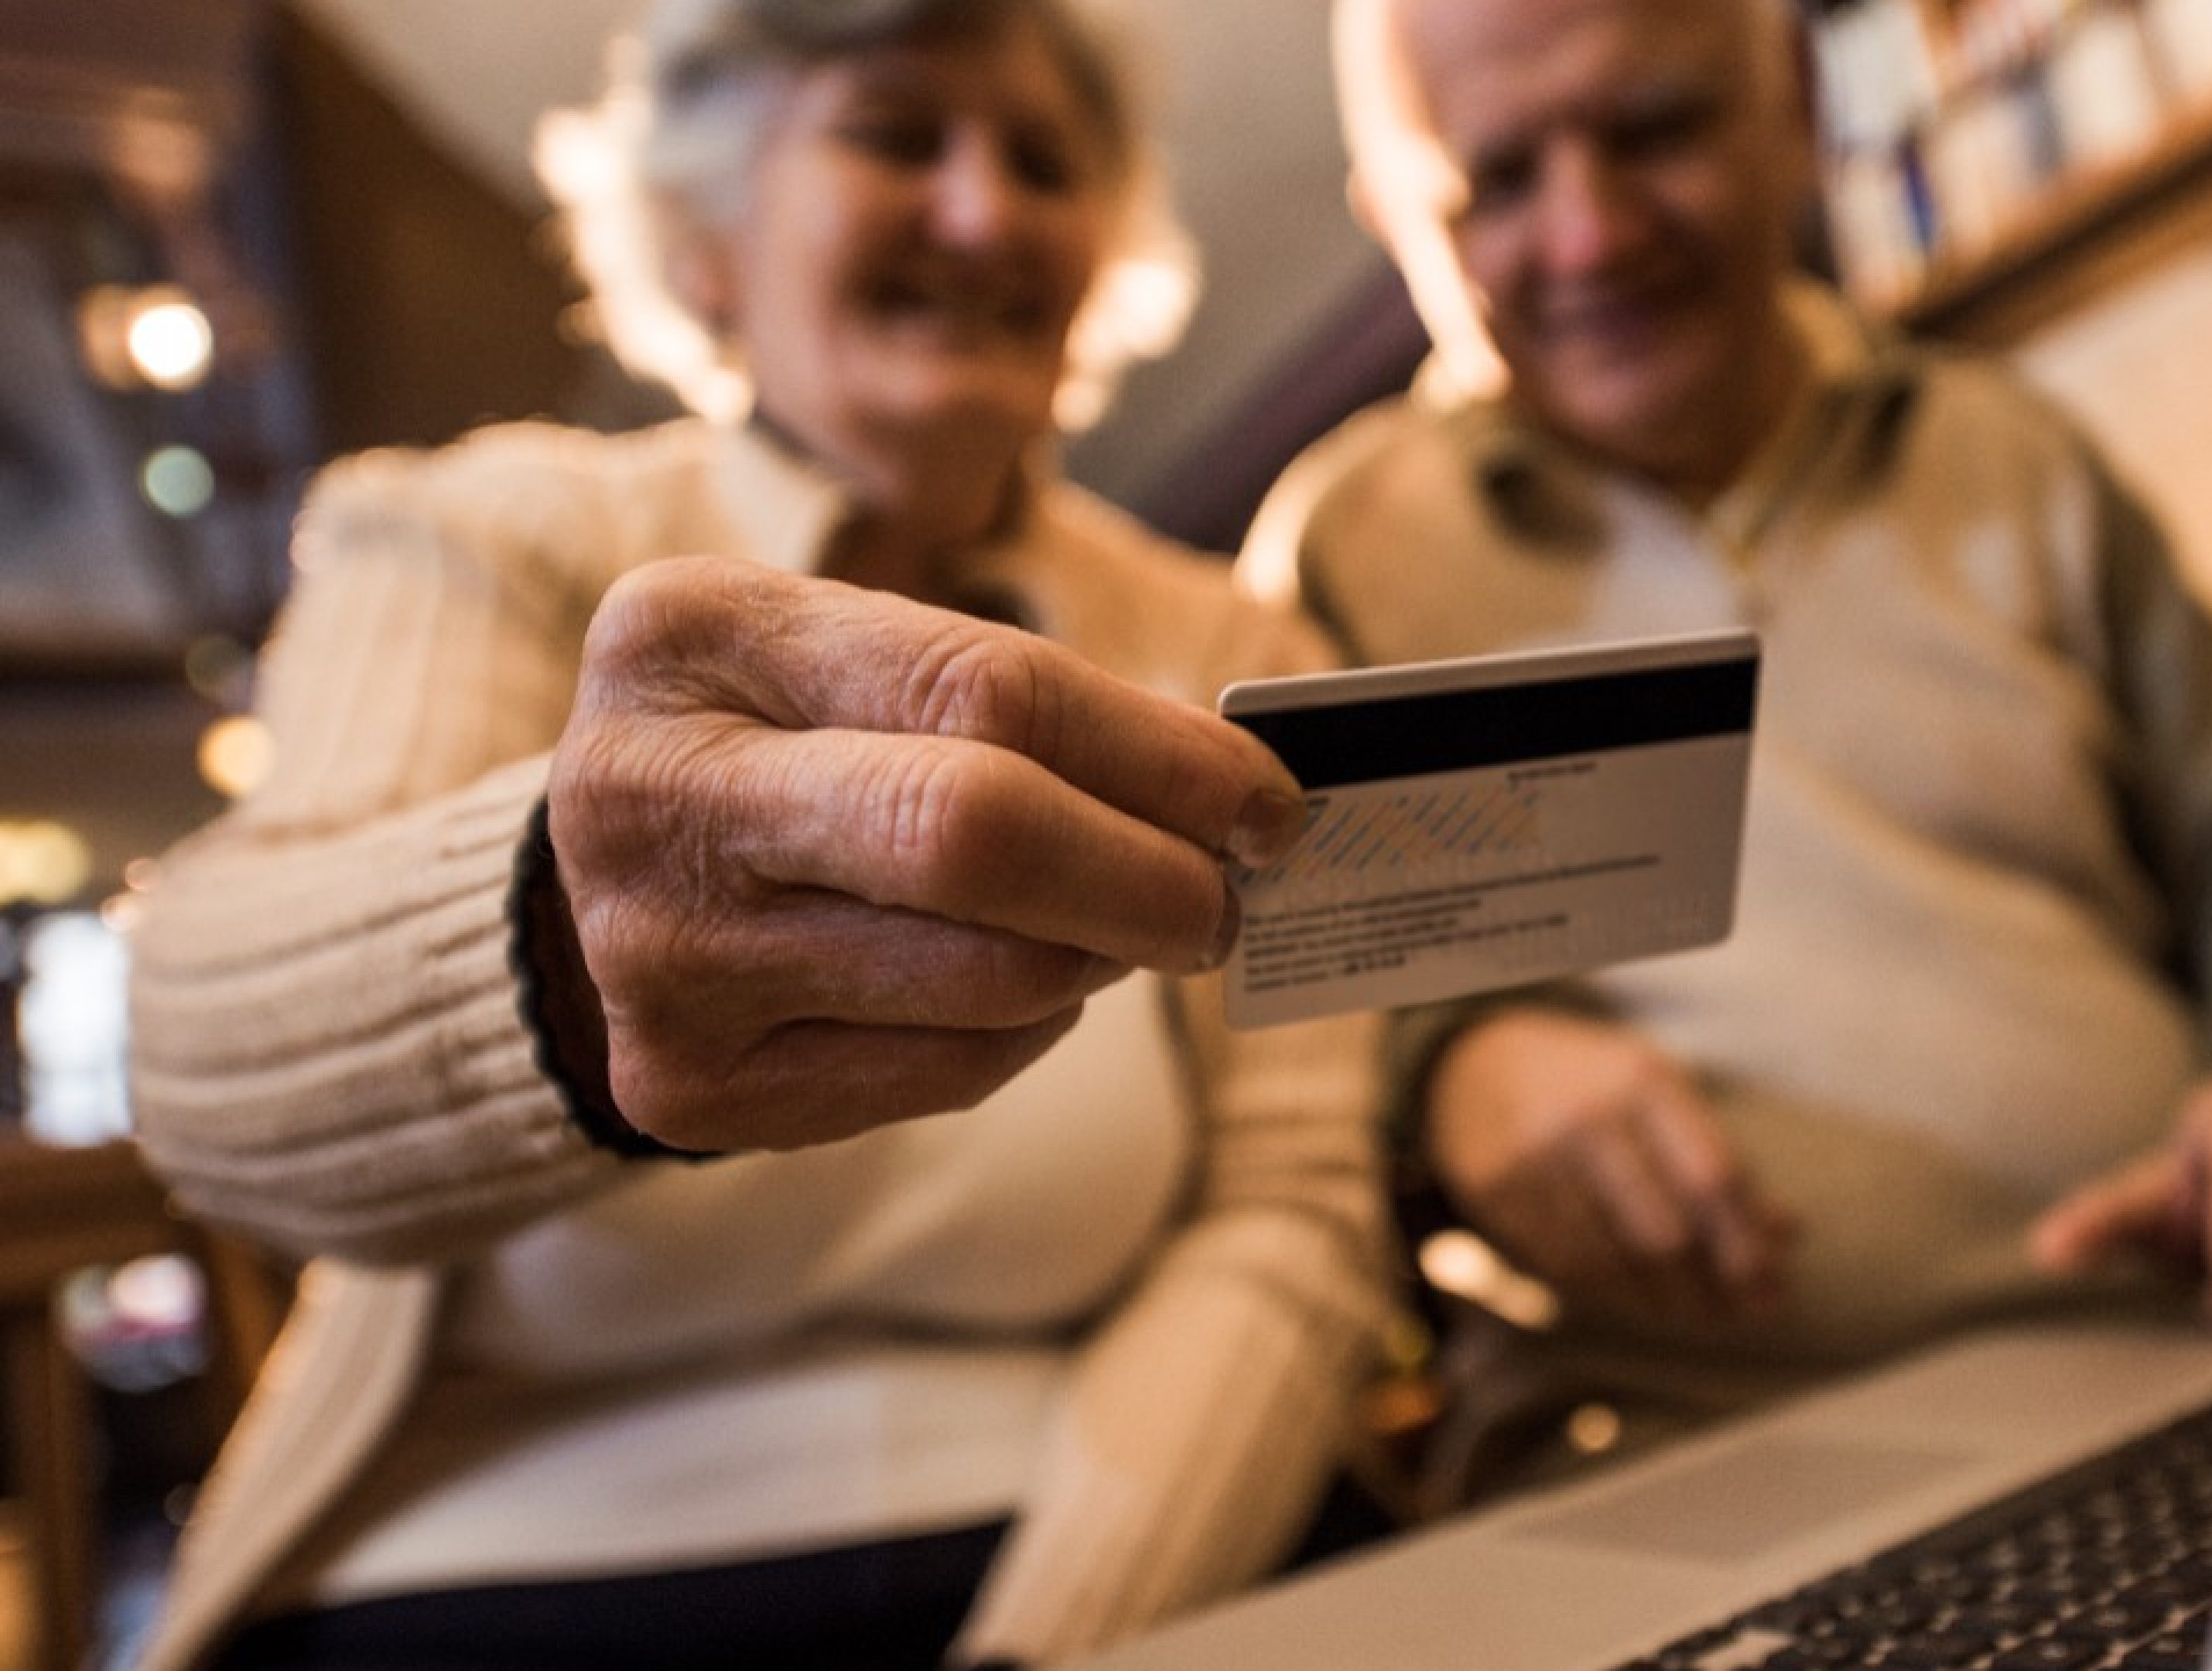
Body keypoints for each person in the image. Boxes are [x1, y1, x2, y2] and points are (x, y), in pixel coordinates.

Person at [121, 2, 1387, 1668]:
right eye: (894, 135)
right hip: (504, 1576)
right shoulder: (490, 537)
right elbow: (214, 1075)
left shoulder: (1237, 637)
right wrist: (556, 943)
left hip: (1113, 1540)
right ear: (705, 242)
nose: (984, 209)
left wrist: (1072, 1636)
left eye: (1042, 162)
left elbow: (1291, 1208)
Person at [1238, 0, 2212, 1507]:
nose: (1590, 237)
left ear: (1794, 102)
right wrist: (1453, 1063)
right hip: (1679, 1460)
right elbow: (1276, 1052)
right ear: (1395, 215)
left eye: (1654, 130)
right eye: (1495, 183)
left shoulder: (2011, 455)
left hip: (2201, 1363)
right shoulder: (1346, 556)